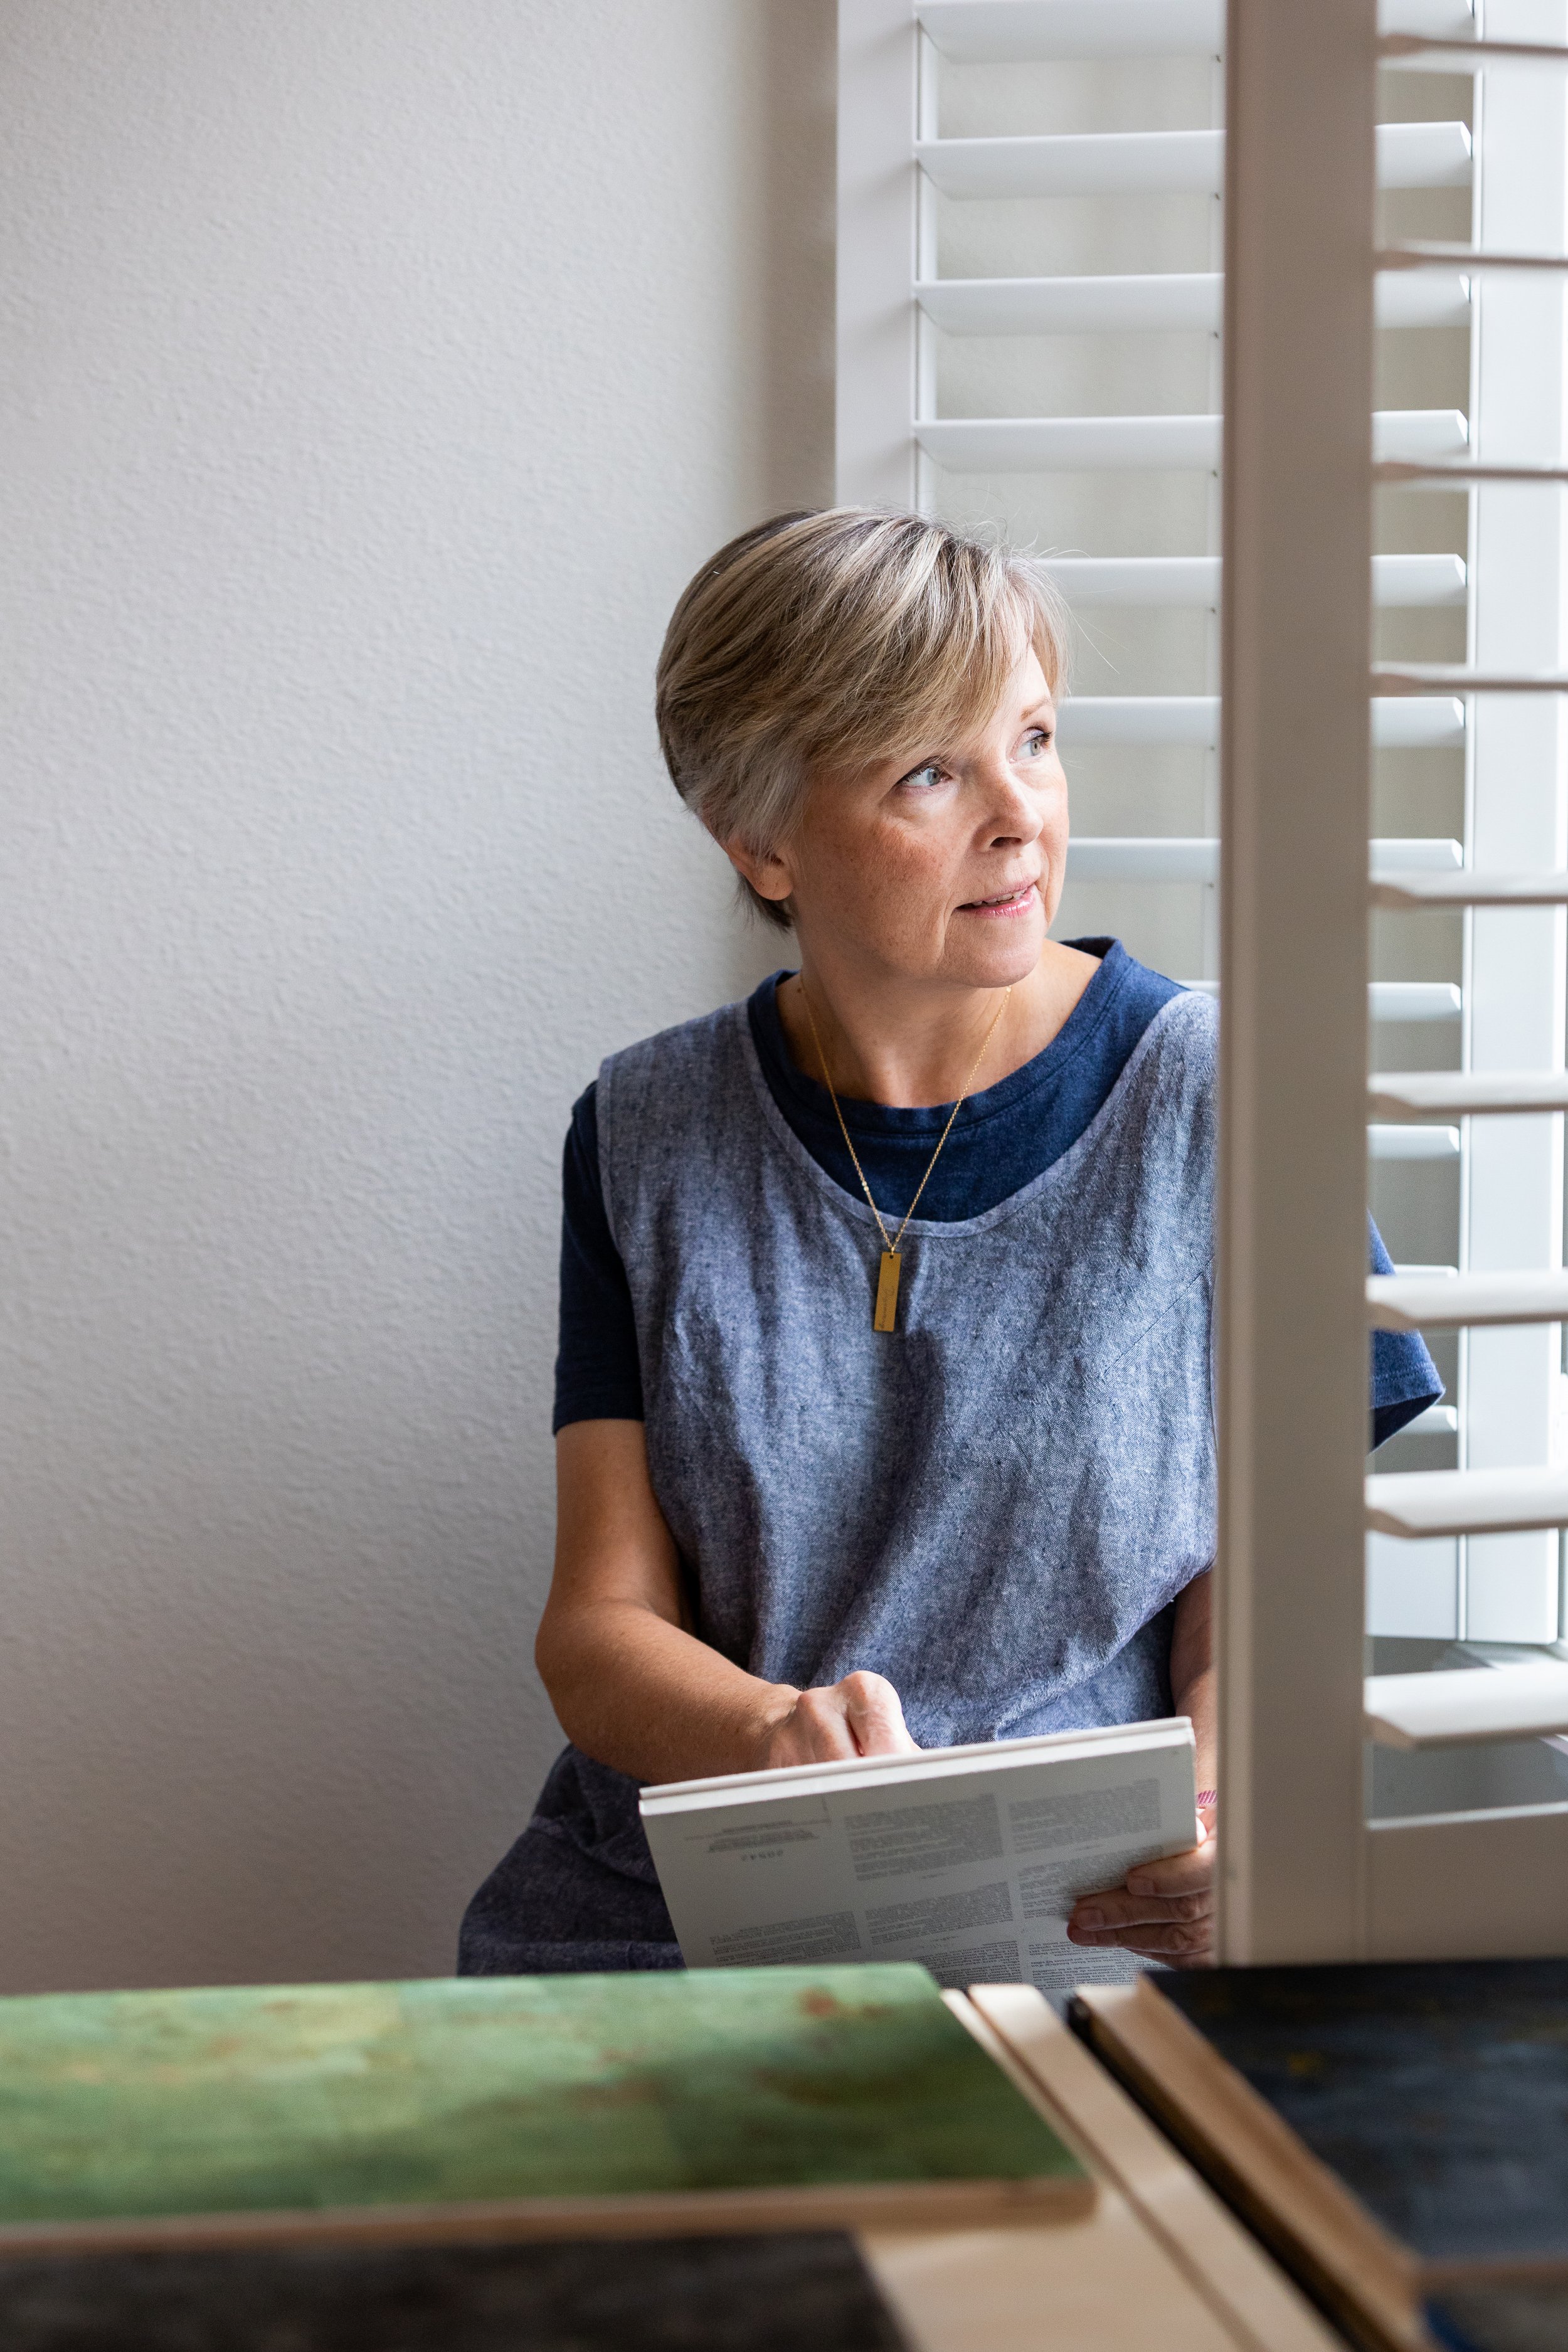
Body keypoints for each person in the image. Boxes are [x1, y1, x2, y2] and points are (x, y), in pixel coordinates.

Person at [458, 509, 1440, 1979]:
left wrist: (1226, 1818)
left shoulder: (1231, 1102)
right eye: (932, 770)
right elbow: (597, 1627)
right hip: (674, 1921)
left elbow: (1263, 1607)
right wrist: (767, 1736)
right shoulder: (642, 1128)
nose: (1018, 814)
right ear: (761, 840)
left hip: (1070, 1926)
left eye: (1033, 740)